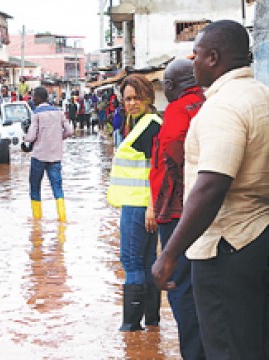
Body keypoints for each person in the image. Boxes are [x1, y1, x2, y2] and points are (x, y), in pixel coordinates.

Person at [152, 19, 269, 359]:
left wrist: (169, 254)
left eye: (197, 54)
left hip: (226, 247)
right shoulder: (261, 95)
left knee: (226, 348)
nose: (193, 62)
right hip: (258, 238)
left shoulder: (222, 107)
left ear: (214, 58)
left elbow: (212, 185)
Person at [150, 58, 206, 360]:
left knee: (179, 286)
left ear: (170, 86)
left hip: (177, 215)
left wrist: (180, 181)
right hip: (203, 211)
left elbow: (172, 143)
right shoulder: (206, 103)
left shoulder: (177, 109)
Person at [106, 74, 162, 332]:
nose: (131, 103)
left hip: (139, 206)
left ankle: (130, 327)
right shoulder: (141, 124)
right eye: (127, 99)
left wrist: (151, 206)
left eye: (137, 98)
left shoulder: (149, 126)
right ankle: (151, 324)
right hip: (143, 206)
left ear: (148, 98)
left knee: (131, 262)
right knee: (147, 261)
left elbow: (156, 169)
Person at [23, 86, 73, 221]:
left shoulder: (36, 114)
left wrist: (25, 138)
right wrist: (57, 138)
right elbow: (69, 131)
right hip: (55, 156)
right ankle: (62, 218)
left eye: (33, 96)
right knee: (57, 188)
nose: (32, 99)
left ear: (38, 98)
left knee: (35, 187)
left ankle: (37, 220)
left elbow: (31, 136)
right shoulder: (58, 112)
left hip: (39, 156)